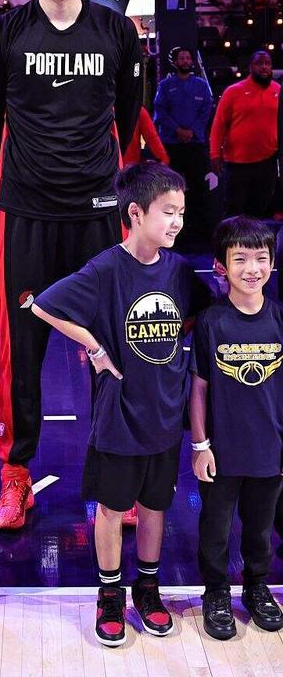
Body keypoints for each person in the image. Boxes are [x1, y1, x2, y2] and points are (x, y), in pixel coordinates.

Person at [0, 0, 142, 530]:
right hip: (25, 210)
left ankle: (114, 480)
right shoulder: (4, 34)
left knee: (111, 345)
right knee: (20, 351)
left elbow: (128, 113)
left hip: (98, 211)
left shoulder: (116, 30)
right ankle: (15, 477)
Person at [32, 163, 208, 647]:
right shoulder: (106, 268)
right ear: (135, 213)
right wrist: (95, 348)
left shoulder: (178, 270)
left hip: (165, 412)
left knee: (155, 507)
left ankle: (147, 588)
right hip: (119, 414)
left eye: (181, 212)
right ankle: (109, 594)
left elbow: (200, 314)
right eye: (168, 211)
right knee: (111, 509)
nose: (177, 221)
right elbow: (44, 305)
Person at [190, 216, 283, 641]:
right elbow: (199, 388)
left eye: (260, 258)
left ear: (272, 263)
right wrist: (200, 445)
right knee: (215, 529)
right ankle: (216, 591)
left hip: (269, 450)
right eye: (240, 258)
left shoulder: (279, 319)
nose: (252, 268)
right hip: (222, 452)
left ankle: (256, 586)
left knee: (261, 528)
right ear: (221, 266)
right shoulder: (211, 322)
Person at [153, 46, 213, 247]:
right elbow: (160, 111)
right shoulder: (165, 85)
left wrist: (192, 131)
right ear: (175, 62)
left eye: (188, 58)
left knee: (198, 190)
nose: (186, 61)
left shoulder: (201, 85)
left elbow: (207, 110)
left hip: (196, 146)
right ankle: (174, 238)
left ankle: (200, 237)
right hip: (173, 146)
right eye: (182, 58)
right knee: (172, 191)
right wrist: (178, 130)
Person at [209, 51, 280, 218]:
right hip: (237, 162)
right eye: (259, 63)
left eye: (267, 63)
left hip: (268, 160)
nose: (264, 67)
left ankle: (254, 236)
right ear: (250, 67)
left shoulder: (278, 90)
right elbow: (219, 124)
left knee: (260, 209)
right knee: (234, 210)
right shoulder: (233, 91)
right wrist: (214, 154)